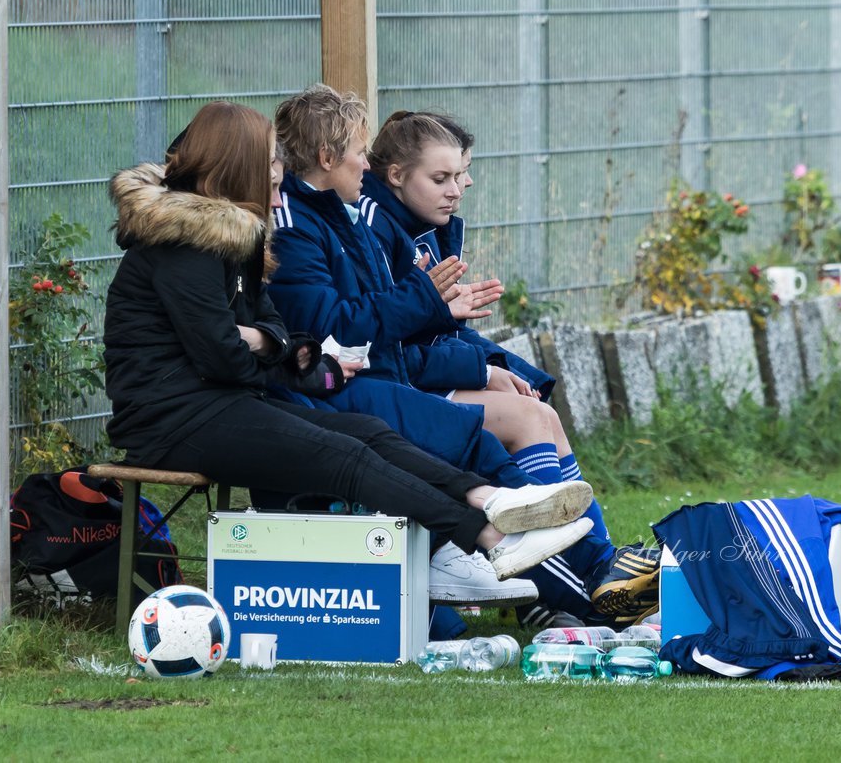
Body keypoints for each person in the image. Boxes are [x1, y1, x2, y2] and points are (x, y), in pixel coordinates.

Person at [101, 100, 593, 591]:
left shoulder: (235, 237)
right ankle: (489, 539)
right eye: (271, 180)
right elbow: (224, 357)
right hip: (172, 421)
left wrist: (260, 342)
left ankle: (489, 499)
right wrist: (258, 345)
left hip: (221, 403)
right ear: (237, 172)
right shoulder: (182, 247)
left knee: (367, 432)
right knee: (345, 457)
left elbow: (269, 330)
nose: (278, 195)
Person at [267, 85, 658, 627]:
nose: (461, 187)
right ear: (330, 158)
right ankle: (591, 591)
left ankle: (586, 569)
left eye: (462, 174)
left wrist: (485, 355)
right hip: (342, 390)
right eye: (444, 176)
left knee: (524, 415)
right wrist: (447, 326)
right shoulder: (330, 222)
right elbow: (347, 330)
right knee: (495, 434)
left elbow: (383, 322)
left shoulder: (347, 214)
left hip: (374, 379)